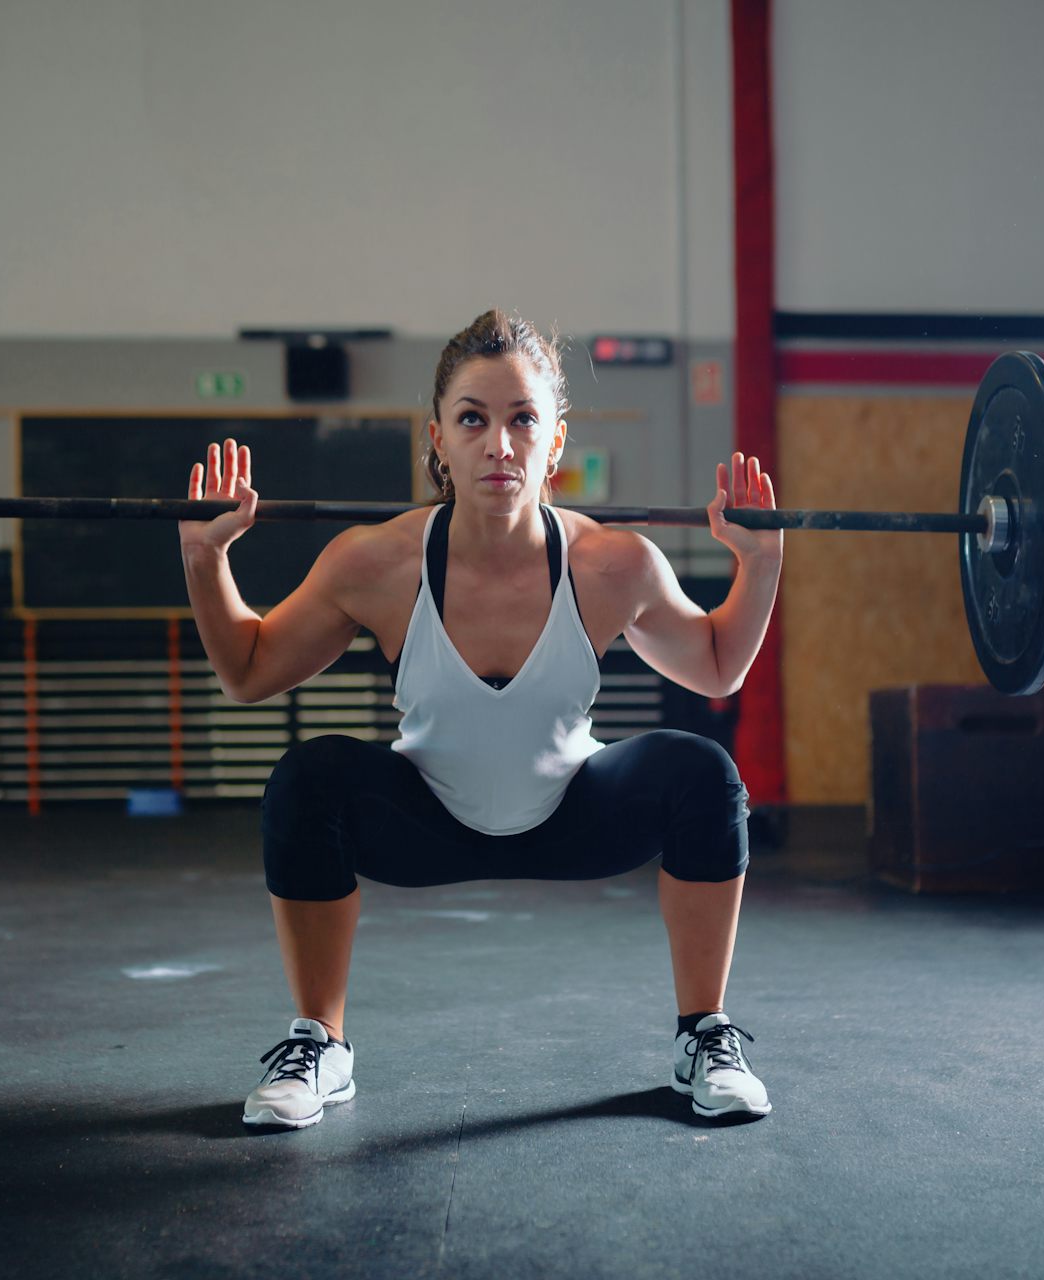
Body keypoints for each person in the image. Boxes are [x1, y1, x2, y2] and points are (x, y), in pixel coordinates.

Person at [178, 309, 784, 1128]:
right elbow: (249, 672)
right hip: (424, 818)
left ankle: (702, 1036)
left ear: (555, 442)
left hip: (576, 814)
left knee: (702, 773)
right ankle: (321, 1043)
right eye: (474, 419)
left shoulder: (613, 565)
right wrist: (204, 557)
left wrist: (759, 564)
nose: (500, 445)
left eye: (522, 419)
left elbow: (718, 666)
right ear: (439, 439)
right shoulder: (378, 563)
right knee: (306, 780)